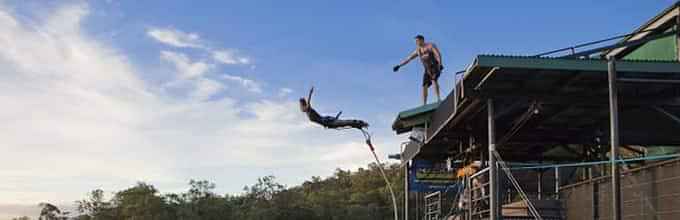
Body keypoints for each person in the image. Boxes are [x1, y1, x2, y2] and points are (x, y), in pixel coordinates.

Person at [393, 34, 444, 105]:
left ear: (422, 40)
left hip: (434, 65)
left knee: (434, 80)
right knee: (424, 85)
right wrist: (399, 66)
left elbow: (438, 54)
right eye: (416, 42)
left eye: (417, 41)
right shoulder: (418, 50)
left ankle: (438, 99)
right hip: (427, 69)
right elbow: (409, 59)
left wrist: (440, 64)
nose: (416, 43)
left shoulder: (430, 45)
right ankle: (424, 104)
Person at [299, 87, 369, 129]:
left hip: (327, 121)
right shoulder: (308, 112)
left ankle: (360, 123)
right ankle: (359, 124)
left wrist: (310, 94)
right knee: (343, 123)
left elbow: (307, 105)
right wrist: (310, 93)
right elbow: (306, 106)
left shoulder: (309, 111)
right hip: (327, 121)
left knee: (343, 123)